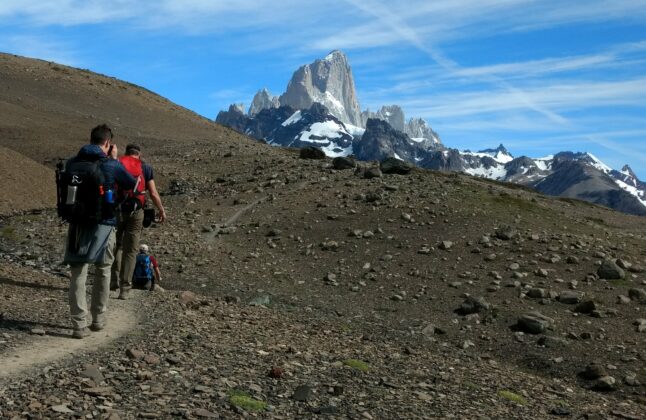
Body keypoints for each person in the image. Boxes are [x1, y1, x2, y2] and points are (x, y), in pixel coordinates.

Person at [63, 124, 136, 339]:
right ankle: (98, 318)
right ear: (107, 142)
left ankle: (78, 324)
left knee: (78, 271)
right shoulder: (111, 165)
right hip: (105, 223)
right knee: (103, 269)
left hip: (77, 224)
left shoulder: (72, 162)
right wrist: (114, 159)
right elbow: (130, 184)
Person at [111, 144, 166, 299]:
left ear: (126, 153)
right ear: (139, 155)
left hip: (117, 209)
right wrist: (161, 209)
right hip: (137, 211)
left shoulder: (118, 163)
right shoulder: (145, 168)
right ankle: (125, 289)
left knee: (116, 246)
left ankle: (113, 281)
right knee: (131, 250)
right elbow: (153, 193)